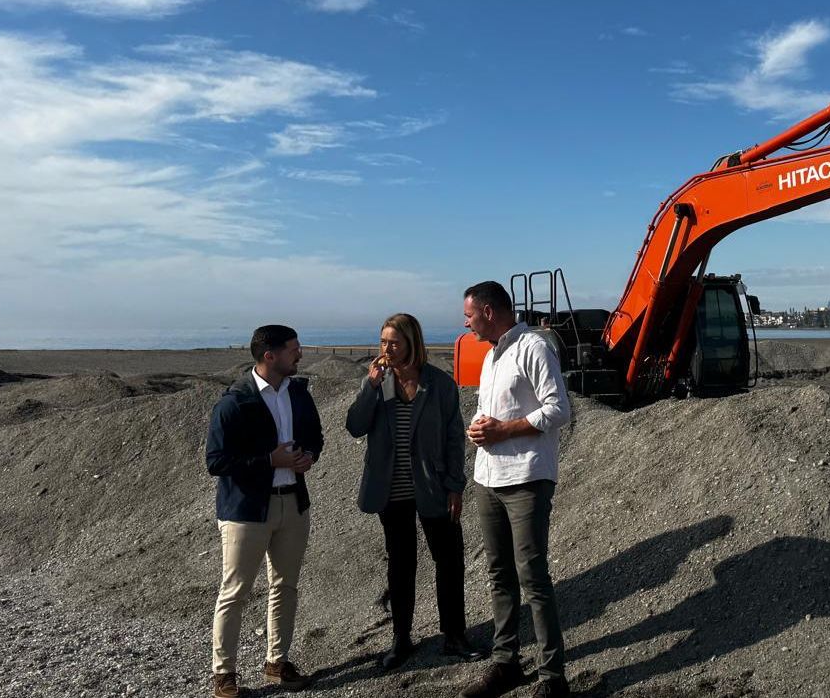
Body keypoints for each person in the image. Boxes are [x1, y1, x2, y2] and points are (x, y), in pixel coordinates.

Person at [345, 312, 486, 668]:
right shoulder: (377, 383)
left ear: (412, 343)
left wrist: (456, 485)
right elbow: (354, 426)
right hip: (391, 491)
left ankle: (454, 636)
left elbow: (455, 438)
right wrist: (370, 386)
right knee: (401, 565)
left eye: (394, 342)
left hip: (434, 486)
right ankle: (401, 639)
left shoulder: (439, 383)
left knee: (450, 560)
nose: (387, 349)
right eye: (383, 342)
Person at [459, 281, 573, 698]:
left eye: (469, 314)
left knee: (533, 577)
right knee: (499, 574)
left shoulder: (534, 347)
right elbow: (493, 411)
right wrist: (479, 427)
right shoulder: (491, 355)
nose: (465, 322)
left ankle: (551, 677)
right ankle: (506, 662)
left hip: (526, 478)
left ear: (489, 311)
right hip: (489, 478)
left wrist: (503, 430)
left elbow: (559, 408)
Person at [205, 324, 325, 698]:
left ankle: (277, 663)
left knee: (285, 587)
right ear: (269, 356)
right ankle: (223, 675)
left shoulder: (299, 394)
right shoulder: (234, 401)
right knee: (235, 592)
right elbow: (216, 461)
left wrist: (308, 456)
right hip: (246, 511)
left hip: (293, 503)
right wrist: (269, 460)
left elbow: (315, 437)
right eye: (294, 349)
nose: (300, 353)